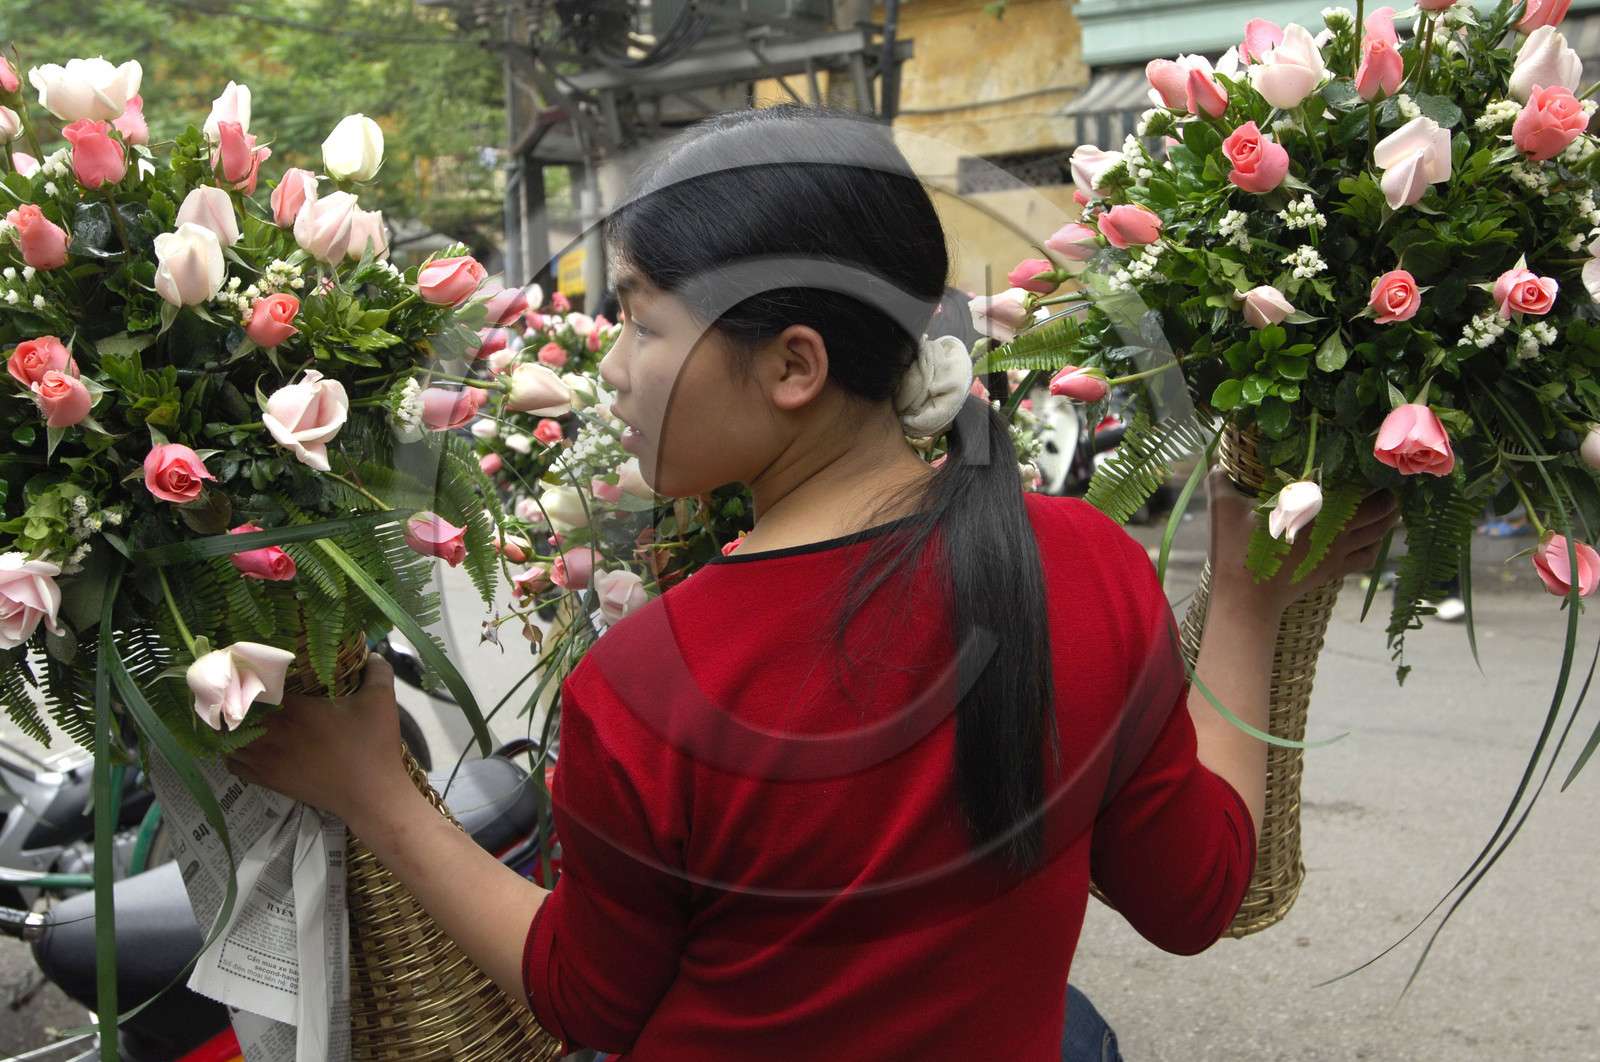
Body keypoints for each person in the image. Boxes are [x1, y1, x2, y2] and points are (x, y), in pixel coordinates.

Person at [228, 105, 1398, 1060]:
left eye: (639, 324)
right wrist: (1246, 602)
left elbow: (588, 1004)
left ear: (794, 364)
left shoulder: (652, 683)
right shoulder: (1086, 562)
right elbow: (1196, 899)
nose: (614, 372)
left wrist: (376, 793)